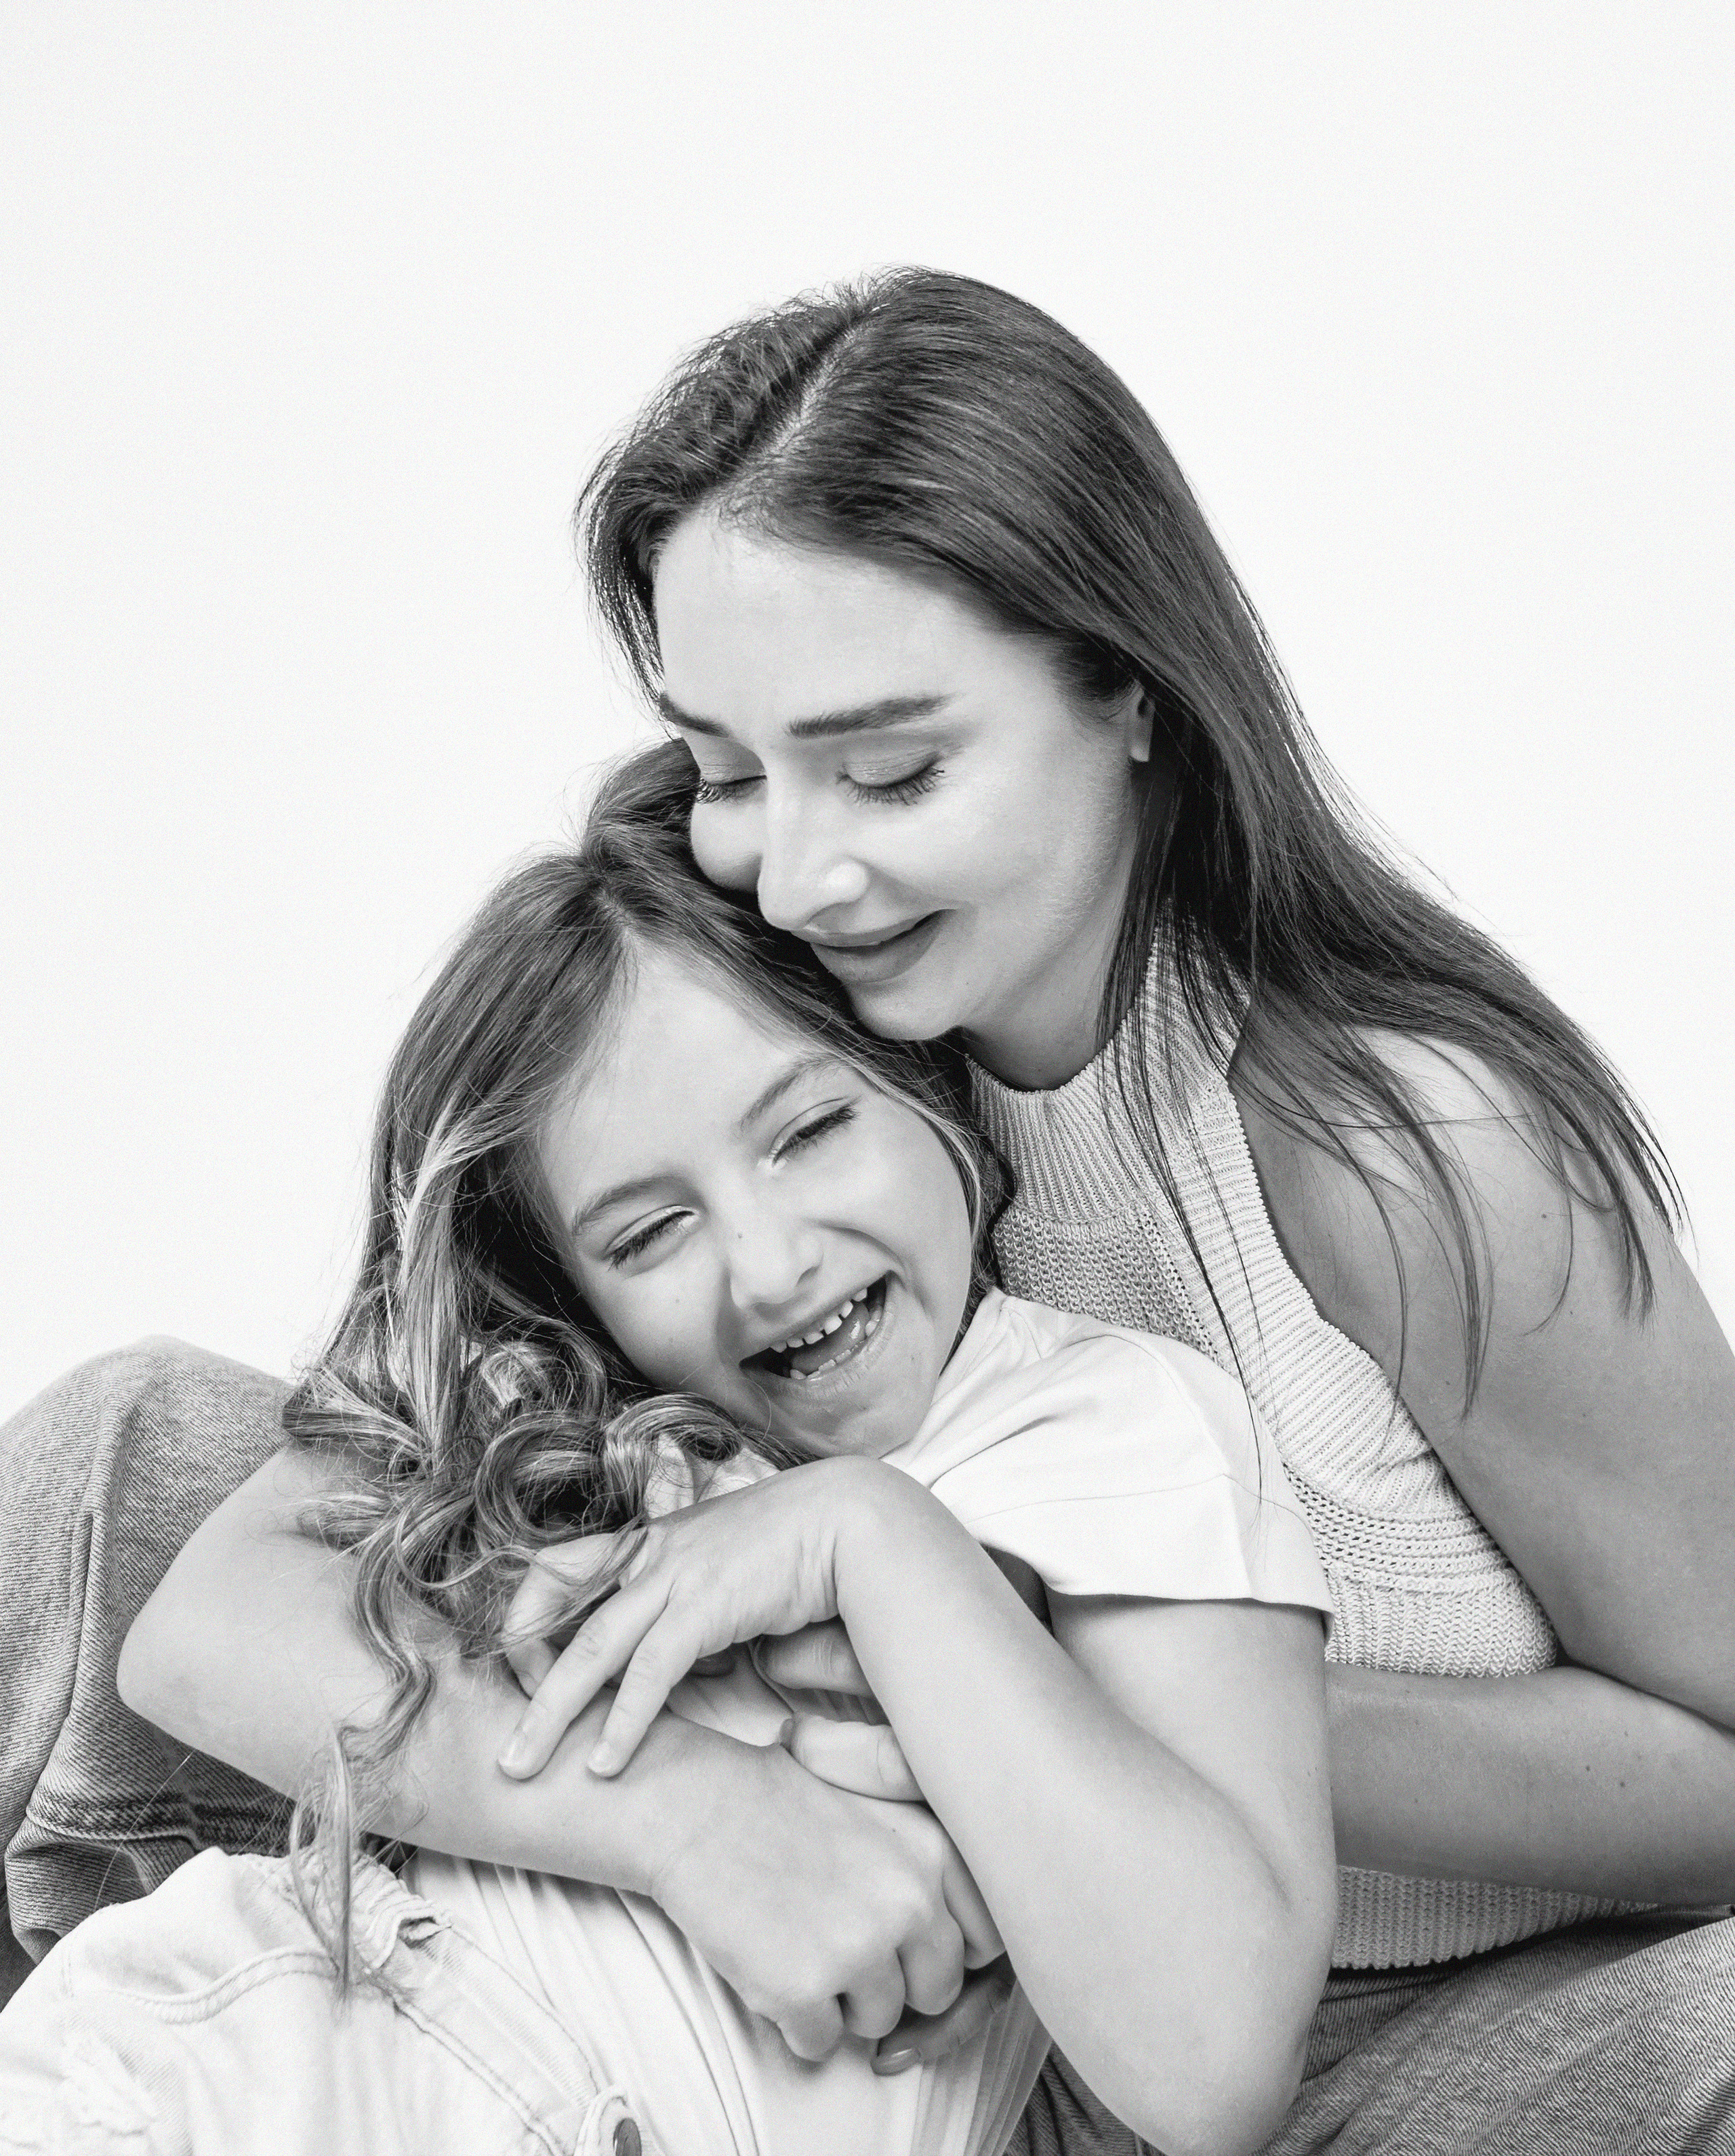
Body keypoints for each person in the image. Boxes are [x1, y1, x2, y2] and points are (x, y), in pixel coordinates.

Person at [3, 264, 1733, 2152]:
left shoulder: (1393, 1144)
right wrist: (693, 1805)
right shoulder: (767, 977)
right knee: (126, 1461)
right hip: (858, 1963)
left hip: (1369, 2016)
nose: (801, 867)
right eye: (733, 765)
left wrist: (1033, 1674)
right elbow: (238, 1589)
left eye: (892, 767)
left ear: (1130, 684)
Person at [0, 766, 1335, 2156]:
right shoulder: (571, 1399)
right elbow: (197, 1642)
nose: (767, 1266)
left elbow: (1213, 2059)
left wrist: (864, 1537)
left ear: (921, 1076)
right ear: (568, 1279)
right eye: (646, 1234)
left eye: (810, 1130)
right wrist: (692, 1819)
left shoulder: (1107, 1426)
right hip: (288, 2056)